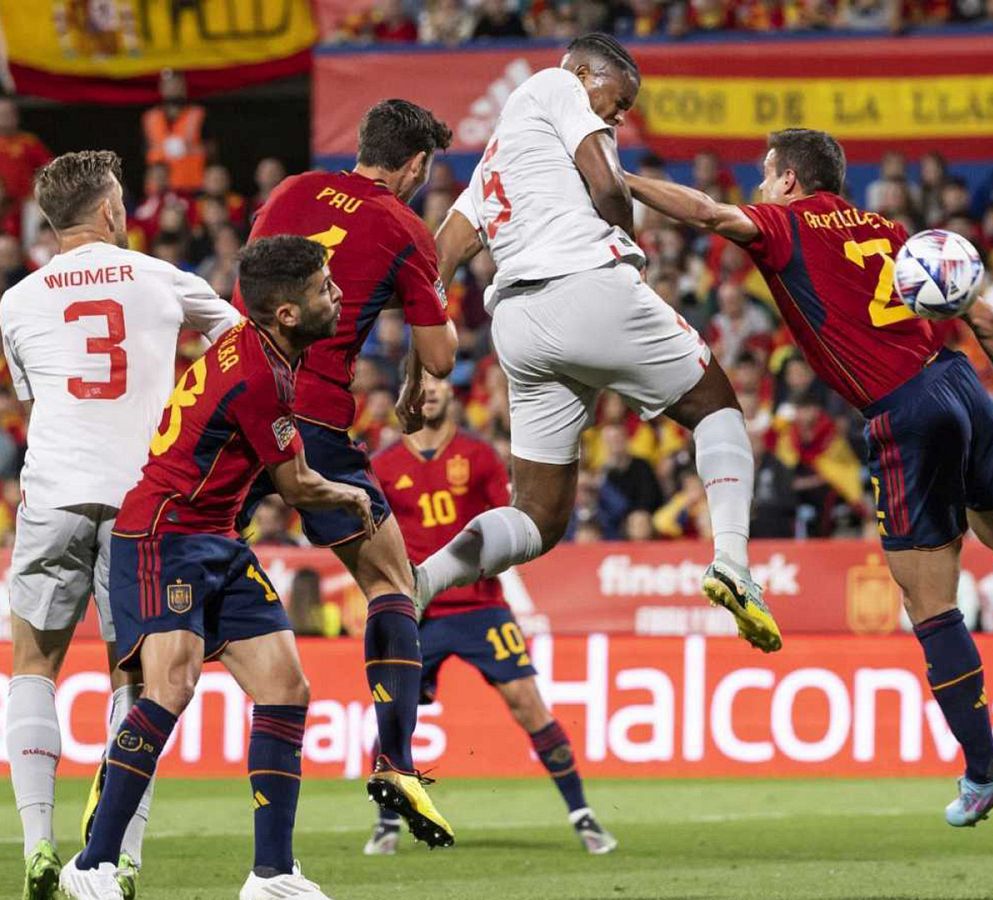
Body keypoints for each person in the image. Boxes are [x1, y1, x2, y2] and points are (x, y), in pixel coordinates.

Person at [625, 126, 993, 826]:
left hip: (903, 411)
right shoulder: (888, 227)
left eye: (765, 174)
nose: (760, 187)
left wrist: (623, 178)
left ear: (789, 179)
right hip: (960, 380)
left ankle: (985, 770)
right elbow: (987, 317)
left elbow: (703, 211)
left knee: (931, 605)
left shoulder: (783, 223)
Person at [417, 34, 778, 655]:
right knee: (715, 404)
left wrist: (413, 370)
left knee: (538, 516)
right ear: (584, 72)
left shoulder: (496, 163)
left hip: (519, 328)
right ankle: (732, 562)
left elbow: (437, 263)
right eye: (619, 98)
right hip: (586, 286)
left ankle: (421, 580)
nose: (619, 114)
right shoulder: (557, 84)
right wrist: (626, 254)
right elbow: (609, 185)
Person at [61, 236, 365, 900]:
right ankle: (92, 865)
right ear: (285, 313)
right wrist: (358, 498)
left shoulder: (266, 353)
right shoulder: (261, 375)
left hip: (216, 536)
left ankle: (272, 874)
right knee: (170, 687)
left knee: (286, 688)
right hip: (164, 534)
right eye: (322, 288)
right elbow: (301, 484)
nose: (336, 295)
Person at [1, 150, 241, 900]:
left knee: (33, 664)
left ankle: (37, 847)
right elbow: (244, 351)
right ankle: (117, 858)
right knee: (134, 675)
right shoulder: (164, 279)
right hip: (146, 504)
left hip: (52, 497)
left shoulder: (17, 301)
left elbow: (39, 396)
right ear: (109, 211)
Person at [238, 98, 459, 846]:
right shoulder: (405, 227)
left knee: (169, 583)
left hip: (233, 409)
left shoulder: (289, 191)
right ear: (417, 165)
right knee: (391, 585)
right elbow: (438, 360)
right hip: (316, 422)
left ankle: (115, 785)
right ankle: (395, 761)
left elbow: (253, 291)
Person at [365, 373, 617, 856]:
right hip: (420, 611)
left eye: (438, 382)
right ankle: (386, 824)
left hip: (482, 606)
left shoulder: (478, 456)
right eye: (421, 384)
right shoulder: (384, 465)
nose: (431, 390)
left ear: (452, 395)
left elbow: (509, 524)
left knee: (528, 703)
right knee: (392, 716)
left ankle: (582, 814)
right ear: (407, 397)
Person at [140, 70, 206, 194]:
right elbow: (143, 151)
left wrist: (187, 148)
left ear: (184, 88)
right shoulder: (150, 117)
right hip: (158, 188)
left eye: (178, 85)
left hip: (191, 186)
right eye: (170, 85)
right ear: (161, 88)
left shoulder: (197, 114)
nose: (174, 89)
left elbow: (212, 148)